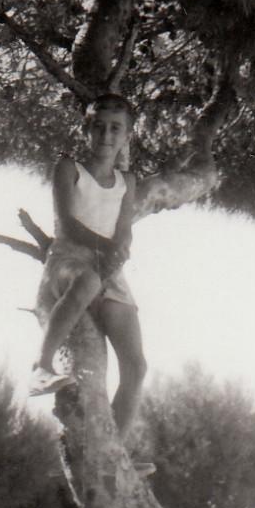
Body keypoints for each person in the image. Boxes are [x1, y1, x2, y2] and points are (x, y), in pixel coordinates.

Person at [29, 93, 148, 447]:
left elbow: (125, 228)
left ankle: (115, 449)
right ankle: (41, 366)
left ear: (127, 135)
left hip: (107, 268)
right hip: (69, 259)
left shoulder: (128, 182)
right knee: (87, 280)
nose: (106, 136)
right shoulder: (70, 170)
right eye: (98, 127)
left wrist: (120, 251)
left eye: (116, 129)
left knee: (136, 366)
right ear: (86, 131)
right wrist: (106, 249)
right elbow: (66, 225)